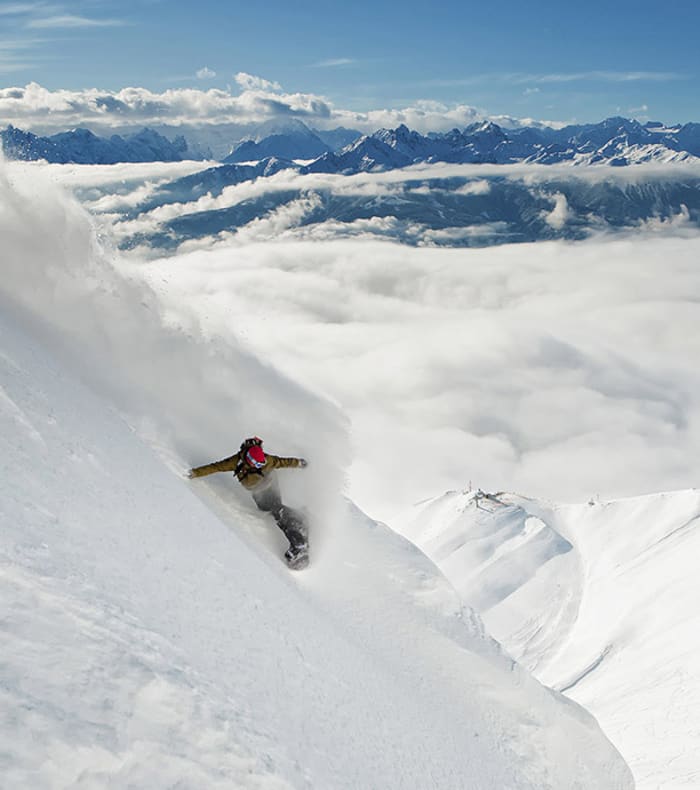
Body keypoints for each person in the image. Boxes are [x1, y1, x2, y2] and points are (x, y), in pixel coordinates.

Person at [187, 437, 309, 566]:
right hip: (257, 492)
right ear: (249, 461)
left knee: (276, 510)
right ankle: (299, 516)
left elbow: (283, 462)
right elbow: (215, 467)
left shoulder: (268, 460)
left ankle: (298, 544)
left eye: (261, 464)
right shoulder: (235, 462)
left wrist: (299, 463)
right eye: (257, 464)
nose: (261, 466)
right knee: (268, 510)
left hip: (270, 487)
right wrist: (195, 472)